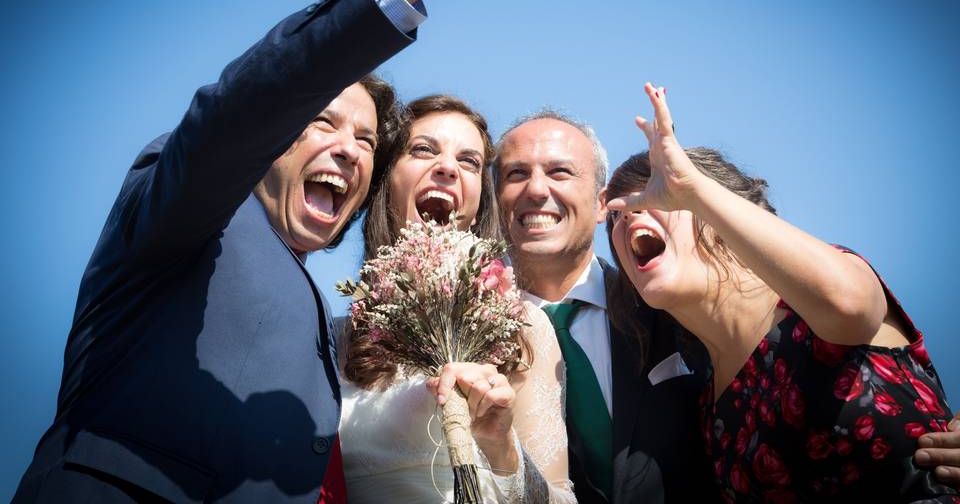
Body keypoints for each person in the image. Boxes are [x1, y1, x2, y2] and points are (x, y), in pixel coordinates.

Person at [13, 0, 546, 502]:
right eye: (322, 120)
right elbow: (236, 115)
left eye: (367, 140)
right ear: (270, 140)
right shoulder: (190, 211)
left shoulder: (329, 317)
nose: (348, 148)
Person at [604, 82, 959, 502]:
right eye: (617, 214)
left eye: (655, 193)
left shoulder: (811, 299)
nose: (629, 216)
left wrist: (692, 189)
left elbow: (849, 305)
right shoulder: (704, 406)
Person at [337, 95, 575, 503]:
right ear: (385, 179)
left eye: (469, 162)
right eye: (424, 149)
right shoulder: (335, 336)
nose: (447, 167)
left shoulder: (523, 327)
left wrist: (501, 447)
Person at [494, 111, 720, 502]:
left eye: (559, 172)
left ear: (603, 205)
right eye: (516, 174)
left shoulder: (668, 306)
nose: (536, 189)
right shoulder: (466, 332)